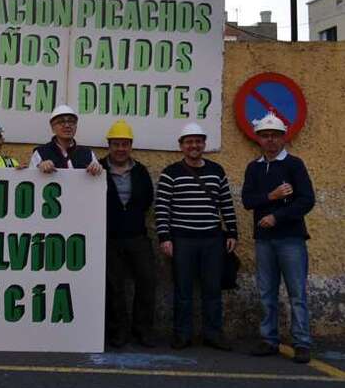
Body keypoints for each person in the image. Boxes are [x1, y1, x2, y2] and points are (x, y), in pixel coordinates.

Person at [155, 122, 238, 351]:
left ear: (204, 144)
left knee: (213, 290)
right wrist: (164, 237)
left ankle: (213, 334)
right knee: (183, 291)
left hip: (212, 240)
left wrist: (232, 232)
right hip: (182, 240)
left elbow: (226, 203)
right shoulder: (170, 173)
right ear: (181, 145)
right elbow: (162, 207)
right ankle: (182, 335)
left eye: (198, 141)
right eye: (189, 142)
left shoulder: (217, 170)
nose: (194, 145)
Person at [242, 112, 315, 364]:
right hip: (264, 240)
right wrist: (271, 197)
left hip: (291, 239)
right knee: (266, 293)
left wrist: (277, 217)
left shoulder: (294, 165)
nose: (270, 140)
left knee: (297, 293)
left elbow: (307, 200)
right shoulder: (254, 167)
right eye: (265, 136)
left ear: (284, 138)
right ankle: (269, 340)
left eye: (275, 135)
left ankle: (302, 343)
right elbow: (247, 201)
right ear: (259, 139)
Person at [100, 120, 156, 348]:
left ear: (130, 146)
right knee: (114, 286)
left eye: (125, 144)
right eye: (116, 144)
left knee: (147, 281)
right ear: (109, 145)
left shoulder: (140, 171)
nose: (120, 149)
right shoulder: (98, 169)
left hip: (137, 236)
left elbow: (148, 199)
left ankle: (143, 331)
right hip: (109, 237)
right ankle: (118, 332)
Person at [29, 104, 102, 175]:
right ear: (52, 127)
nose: (67, 125)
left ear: (76, 126)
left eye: (71, 121)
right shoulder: (41, 153)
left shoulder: (88, 154)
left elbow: (97, 179)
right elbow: (30, 178)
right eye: (61, 122)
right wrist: (39, 168)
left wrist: (96, 168)